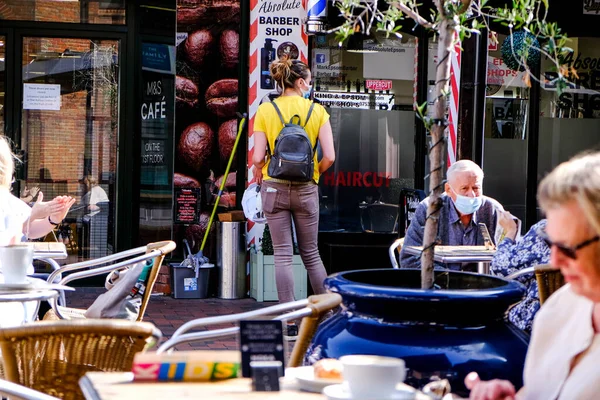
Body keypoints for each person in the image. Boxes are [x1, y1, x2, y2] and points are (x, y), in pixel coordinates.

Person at [467, 151, 600, 400]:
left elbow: (502, 266)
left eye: (569, 247)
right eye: (551, 242)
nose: (554, 261)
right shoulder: (558, 309)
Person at [251, 56, 335, 334]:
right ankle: (325, 315)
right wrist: (315, 174)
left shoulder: (266, 111)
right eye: (309, 82)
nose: (309, 86)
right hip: (306, 189)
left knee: (283, 255)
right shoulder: (318, 111)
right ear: (300, 82)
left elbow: (258, 157)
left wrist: (260, 172)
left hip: (273, 187)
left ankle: (289, 319)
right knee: (311, 254)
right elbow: (330, 157)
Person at [400, 159, 503, 270]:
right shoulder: (429, 210)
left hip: (483, 284)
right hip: (441, 284)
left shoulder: (493, 210)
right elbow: (409, 259)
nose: (471, 194)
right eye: (464, 188)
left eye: (476, 188)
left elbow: (505, 259)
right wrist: (452, 280)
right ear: (449, 189)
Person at [0, 136, 75, 249]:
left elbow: (30, 229)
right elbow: (6, 239)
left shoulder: (8, 200)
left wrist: (53, 219)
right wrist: (33, 214)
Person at [490, 216, 550, 332]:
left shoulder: (547, 229)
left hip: (533, 320)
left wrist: (510, 232)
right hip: (576, 320)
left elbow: (500, 269)